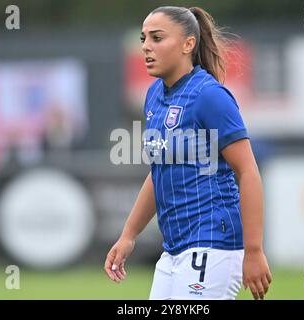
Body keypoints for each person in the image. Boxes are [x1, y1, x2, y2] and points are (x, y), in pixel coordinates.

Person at [104, 6, 272, 300]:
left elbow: (247, 171)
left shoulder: (209, 96)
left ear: (188, 44)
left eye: (157, 38)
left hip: (213, 243)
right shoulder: (155, 95)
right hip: (174, 250)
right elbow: (160, 173)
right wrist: (129, 235)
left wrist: (254, 250)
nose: (146, 47)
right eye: (144, 38)